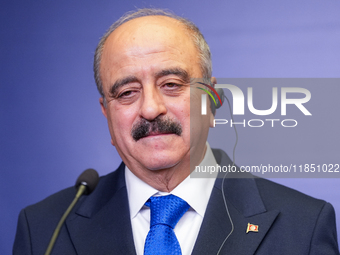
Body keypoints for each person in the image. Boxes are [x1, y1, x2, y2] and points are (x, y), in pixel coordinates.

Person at [13, 8, 339, 255]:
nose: (151, 108)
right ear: (107, 114)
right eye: (126, 92)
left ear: (211, 102)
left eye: (171, 85)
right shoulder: (43, 229)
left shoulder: (303, 226)